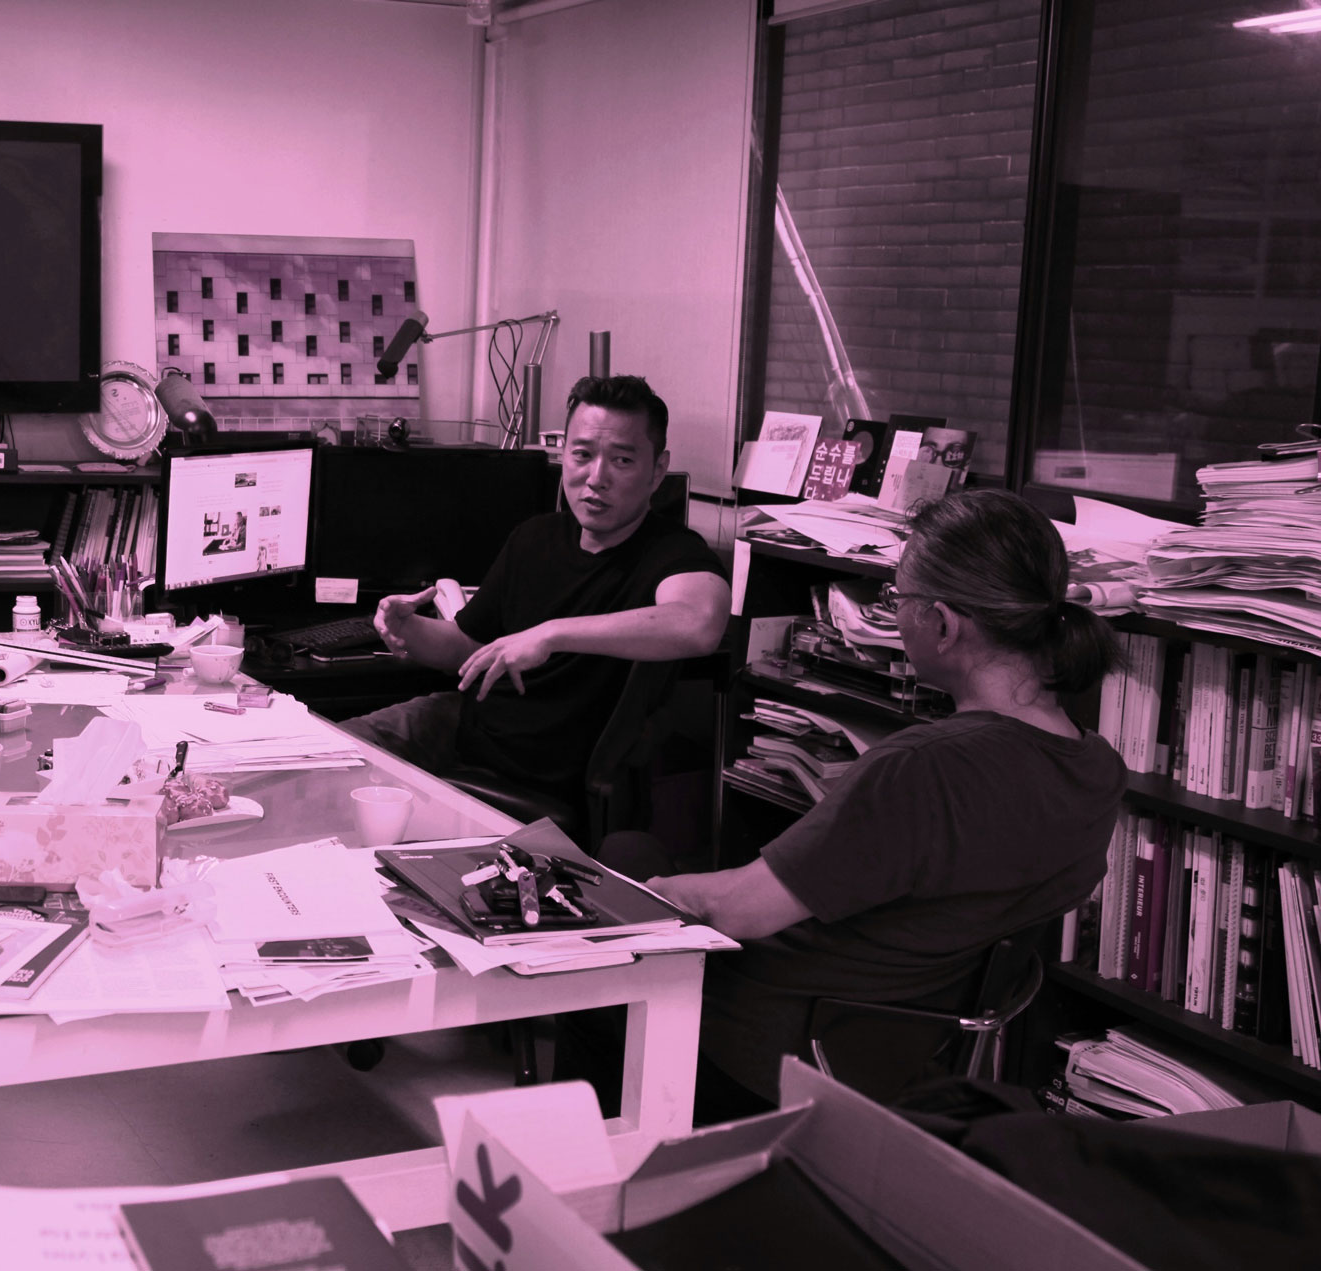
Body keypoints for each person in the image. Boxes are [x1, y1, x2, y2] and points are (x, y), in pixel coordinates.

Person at [641, 488, 1125, 1112]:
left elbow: (735, 912)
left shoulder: (923, 769)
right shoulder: (1098, 770)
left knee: (625, 864)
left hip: (763, 1048)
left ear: (943, 624)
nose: (893, 614)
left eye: (897, 599)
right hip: (894, 1054)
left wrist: (641, 894)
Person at [347, 375, 729, 810]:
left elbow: (699, 623)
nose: (597, 478)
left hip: (535, 777)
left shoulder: (674, 553)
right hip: (462, 728)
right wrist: (408, 629)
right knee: (326, 754)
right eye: (582, 455)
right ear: (563, 455)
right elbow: (468, 646)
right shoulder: (536, 536)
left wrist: (551, 634)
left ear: (657, 470)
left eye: (622, 460)